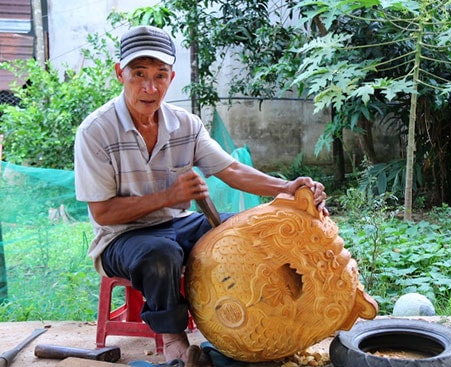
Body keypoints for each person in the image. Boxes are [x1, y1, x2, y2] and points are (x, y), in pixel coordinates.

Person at [74, 25, 327, 364]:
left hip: (178, 223)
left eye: (160, 75)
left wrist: (287, 187)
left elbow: (232, 171)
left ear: (171, 76)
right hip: (120, 237)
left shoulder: (185, 125)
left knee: (245, 236)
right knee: (161, 253)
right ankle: (175, 341)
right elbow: (103, 213)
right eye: (138, 74)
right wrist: (168, 196)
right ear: (120, 73)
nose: (150, 87)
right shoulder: (96, 131)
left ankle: (245, 325)